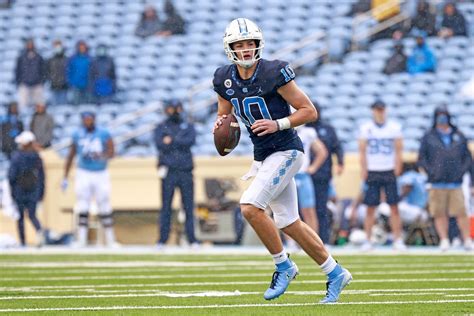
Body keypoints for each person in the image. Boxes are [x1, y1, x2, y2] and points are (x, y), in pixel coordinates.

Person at [212, 18, 352, 303]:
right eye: (240, 45)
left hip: (287, 150)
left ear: (258, 44)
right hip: (263, 155)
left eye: (250, 43)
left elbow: (308, 110)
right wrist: (220, 126)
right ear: (230, 48)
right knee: (289, 221)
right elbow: (224, 114)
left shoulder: (273, 72)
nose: (246, 49)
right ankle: (335, 272)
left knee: (250, 207)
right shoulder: (224, 78)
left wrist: (279, 124)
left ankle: (283, 265)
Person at [418, 106, 472, 251]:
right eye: (439, 115)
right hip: (437, 182)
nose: (442, 118)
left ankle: (467, 239)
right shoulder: (429, 136)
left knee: (461, 212)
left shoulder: (458, 135)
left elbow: (467, 157)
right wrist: (431, 173)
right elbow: (422, 158)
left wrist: (462, 172)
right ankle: (444, 239)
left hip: (456, 182)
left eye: (444, 115)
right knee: (439, 213)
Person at [62, 112, 118, 247]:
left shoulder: (103, 133)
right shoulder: (77, 134)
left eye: (90, 119)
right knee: (83, 204)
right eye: (85, 119)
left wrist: (101, 155)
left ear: (94, 120)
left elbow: (112, 152)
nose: (88, 122)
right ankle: (81, 239)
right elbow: (71, 154)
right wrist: (65, 175)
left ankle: (110, 239)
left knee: (104, 204)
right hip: (83, 172)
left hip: (100, 172)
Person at [358, 100, 405, 251]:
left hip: (388, 169)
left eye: (381, 109)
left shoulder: (394, 127)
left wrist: (398, 167)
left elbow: (398, 150)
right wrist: (364, 169)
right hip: (373, 170)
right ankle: (368, 240)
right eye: (377, 110)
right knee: (370, 207)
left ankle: (398, 239)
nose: (379, 112)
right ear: (373, 111)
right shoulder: (366, 128)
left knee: (394, 207)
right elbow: (362, 151)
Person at [154, 100, 198, 248]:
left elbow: (190, 141)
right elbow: (159, 144)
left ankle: (192, 239)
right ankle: (162, 240)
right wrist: (178, 140)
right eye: (172, 108)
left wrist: (171, 140)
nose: (174, 111)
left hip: (185, 171)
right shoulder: (161, 126)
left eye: (177, 108)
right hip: (169, 172)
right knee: (166, 207)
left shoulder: (187, 125)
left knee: (188, 207)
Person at [306, 103, 344, 245]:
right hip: (303, 176)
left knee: (321, 208)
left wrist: (340, 163)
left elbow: (337, 147)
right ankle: (304, 241)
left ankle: (322, 240)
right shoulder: (302, 129)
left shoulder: (327, 129)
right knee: (303, 209)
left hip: (322, 176)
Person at [8, 131, 45, 247]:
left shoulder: (17, 157)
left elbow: (11, 175)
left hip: (19, 190)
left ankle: (23, 242)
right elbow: (42, 177)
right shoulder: (37, 157)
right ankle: (39, 231)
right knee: (32, 215)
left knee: (20, 217)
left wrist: (12, 190)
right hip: (33, 190)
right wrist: (41, 191)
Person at [294, 124, 328, 233]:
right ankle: (291, 242)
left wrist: (313, 167)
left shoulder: (307, 132)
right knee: (287, 211)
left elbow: (322, 152)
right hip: (288, 176)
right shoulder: (282, 130)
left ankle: (314, 240)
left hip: (303, 175)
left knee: (308, 210)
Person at [15, 38, 46, 112]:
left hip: (37, 83)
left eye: (31, 44)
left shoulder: (38, 57)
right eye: (28, 44)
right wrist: (19, 81)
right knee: (22, 104)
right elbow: (17, 70)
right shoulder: (21, 58)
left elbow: (43, 70)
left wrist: (41, 81)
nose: (30, 46)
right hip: (25, 83)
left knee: (39, 104)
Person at [67, 40, 92, 105]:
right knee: (77, 103)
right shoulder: (73, 58)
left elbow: (93, 71)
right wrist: (71, 81)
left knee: (87, 104)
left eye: (83, 47)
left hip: (87, 84)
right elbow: (69, 71)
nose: (82, 49)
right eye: (80, 48)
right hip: (76, 84)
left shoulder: (89, 58)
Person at [47, 40, 69, 106]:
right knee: (54, 106)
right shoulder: (50, 60)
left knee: (63, 106)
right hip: (54, 86)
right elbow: (48, 71)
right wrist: (51, 79)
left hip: (64, 86)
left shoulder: (66, 59)